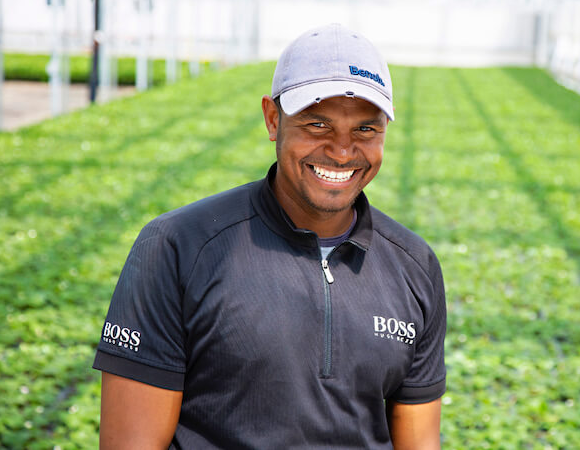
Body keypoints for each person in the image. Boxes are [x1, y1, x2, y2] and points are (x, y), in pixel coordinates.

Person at [93, 23, 446, 449]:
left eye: (366, 130)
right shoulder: (177, 247)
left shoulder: (414, 265)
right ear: (273, 118)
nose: (341, 150)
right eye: (317, 124)